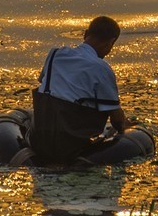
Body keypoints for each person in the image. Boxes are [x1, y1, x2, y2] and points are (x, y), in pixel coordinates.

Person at [30, 13, 134, 165]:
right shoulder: (102, 69)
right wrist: (127, 128)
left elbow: (47, 85)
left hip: (39, 138)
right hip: (71, 142)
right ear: (111, 43)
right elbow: (116, 118)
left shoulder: (55, 54)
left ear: (85, 34)